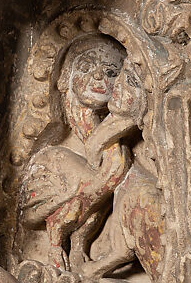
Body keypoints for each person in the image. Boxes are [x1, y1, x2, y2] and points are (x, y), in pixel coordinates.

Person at [19, 35, 128, 269]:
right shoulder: (53, 159)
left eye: (111, 72)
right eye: (87, 67)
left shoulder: (115, 150)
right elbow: (28, 216)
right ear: (66, 77)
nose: (99, 76)